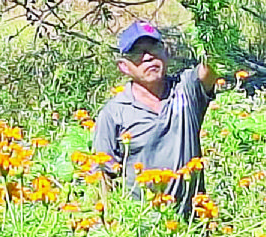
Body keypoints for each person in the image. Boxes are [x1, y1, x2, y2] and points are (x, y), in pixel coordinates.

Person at [92, 20, 219, 215]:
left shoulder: (186, 89)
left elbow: (215, 64)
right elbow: (102, 175)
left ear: (165, 52)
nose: (148, 57)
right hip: (143, 228)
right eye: (138, 53)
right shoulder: (114, 113)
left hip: (193, 222)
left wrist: (206, 10)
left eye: (154, 48)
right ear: (124, 67)